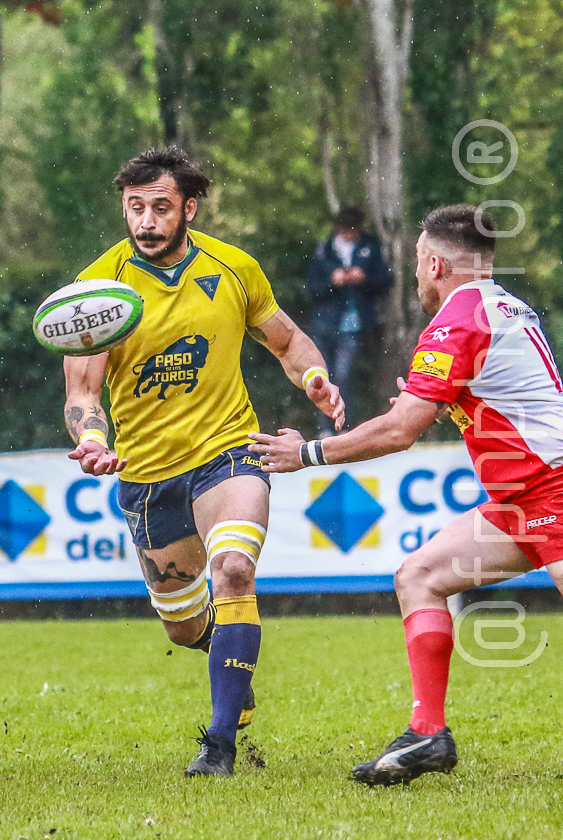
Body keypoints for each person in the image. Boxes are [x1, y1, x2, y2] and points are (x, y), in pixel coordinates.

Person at [251, 204, 563, 787]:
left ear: (436, 263)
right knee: (419, 574)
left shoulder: (456, 320)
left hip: (553, 492)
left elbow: (400, 431)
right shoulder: (503, 306)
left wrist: (309, 454)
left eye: (418, 263)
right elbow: (501, 397)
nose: (417, 276)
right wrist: (444, 405)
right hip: (522, 499)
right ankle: (427, 733)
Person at [64, 147, 344, 777]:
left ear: (188, 208)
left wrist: (316, 378)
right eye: (135, 207)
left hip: (228, 451)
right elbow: (82, 396)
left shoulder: (233, 267)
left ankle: (218, 745)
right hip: (145, 474)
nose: (146, 221)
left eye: (160, 207)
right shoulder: (96, 293)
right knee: (186, 628)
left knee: (235, 569)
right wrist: (91, 439)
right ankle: (231, 677)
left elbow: (288, 341)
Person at [306, 207, 393, 434]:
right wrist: (332, 282)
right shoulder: (324, 249)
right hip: (325, 323)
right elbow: (311, 288)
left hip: (354, 324)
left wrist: (363, 279)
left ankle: (344, 425)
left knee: (344, 376)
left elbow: (385, 280)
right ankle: (324, 427)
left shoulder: (370, 246)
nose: (349, 234)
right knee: (321, 378)